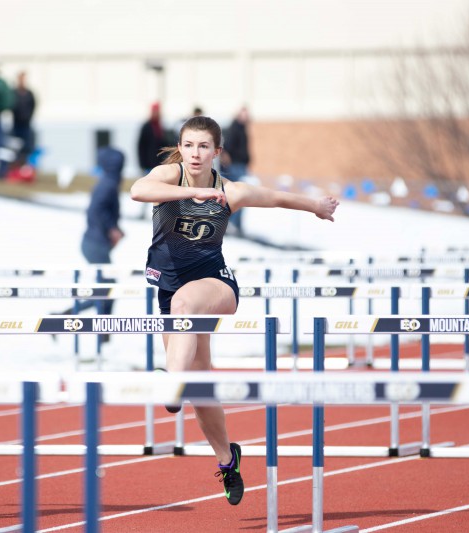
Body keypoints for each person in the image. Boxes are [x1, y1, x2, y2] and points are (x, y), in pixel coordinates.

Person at [129, 115, 338, 506]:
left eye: (203, 146)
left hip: (216, 286)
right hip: (169, 292)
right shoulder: (168, 175)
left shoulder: (231, 190)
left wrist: (315, 206)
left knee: (186, 303)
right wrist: (195, 197)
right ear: (180, 146)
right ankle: (228, 460)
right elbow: (139, 191)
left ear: (216, 152)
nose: (195, 153)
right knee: (202, 385)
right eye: (189, 145)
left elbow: (275, 197)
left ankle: (170, 381)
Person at [79, 139, 125, 325]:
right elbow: (96, 210)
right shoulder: (109, 184)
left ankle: (103, 331)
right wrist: (111, 229)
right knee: (108, 289)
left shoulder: (107, 181)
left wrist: (114, 229)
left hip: (95, 241)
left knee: (106, 288)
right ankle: (62, 317)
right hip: (95, 243)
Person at [220, 106, 251, 235]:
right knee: (237, 195)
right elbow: (227, 147)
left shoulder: (242, 128)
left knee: (242, 196)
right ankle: (231, 224)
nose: (246, 116)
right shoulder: (234, 128)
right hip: (235, 166)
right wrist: (227, 159)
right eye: (244, 114)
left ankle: (235, 225)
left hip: (241, 165)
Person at [11, 71, 37, 158]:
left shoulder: (29, 93)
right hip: (16, 124)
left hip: (26, 124)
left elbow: (33, 106)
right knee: (16, 147)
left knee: (28, 147)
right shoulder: (14, 93)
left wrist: (28, 117)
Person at [136, 101, 166, 174]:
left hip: (159, 163)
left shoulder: (160, 126)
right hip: (148, 164)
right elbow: (141, 146)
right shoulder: (146, 126)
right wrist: (142, 164)